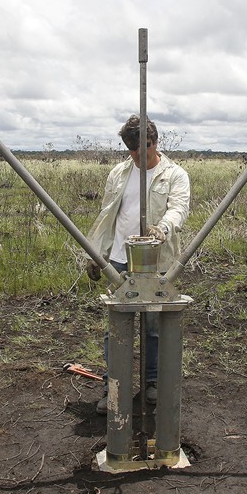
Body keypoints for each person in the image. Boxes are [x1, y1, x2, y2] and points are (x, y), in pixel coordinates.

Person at [86, 115, 191, 414]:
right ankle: (113, 388)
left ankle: (152, 383)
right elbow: (108, 218)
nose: (136, 156)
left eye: (142, 148)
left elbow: (178, 209)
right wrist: (96, 255)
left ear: (155, 142)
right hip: (120, 259)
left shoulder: (175, 175)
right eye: (130, 149)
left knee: (153, 326)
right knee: (115, 328)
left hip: (157, 262)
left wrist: (162, 229)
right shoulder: (118, 174)